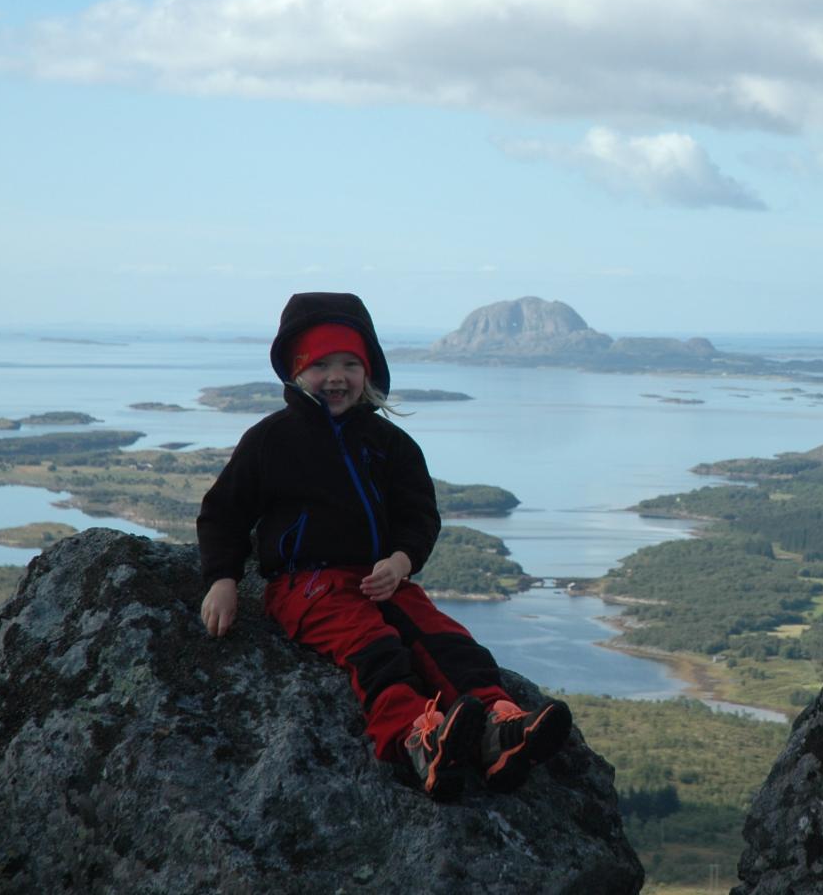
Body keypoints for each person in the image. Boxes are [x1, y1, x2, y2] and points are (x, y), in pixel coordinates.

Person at [197, 291, 571, 801]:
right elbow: (224, 512)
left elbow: (419, 515)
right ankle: (417, 737)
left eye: (350, 364)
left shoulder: (390, 444)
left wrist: (401, 560)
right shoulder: (270, 440)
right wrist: (223, 579)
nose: (336, 377)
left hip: (381, 578)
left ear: (368, 371)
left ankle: (499, 726)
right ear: (296, 371)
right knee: (373, 647)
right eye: (320, 364)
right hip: (306, 584)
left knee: (444, 638)